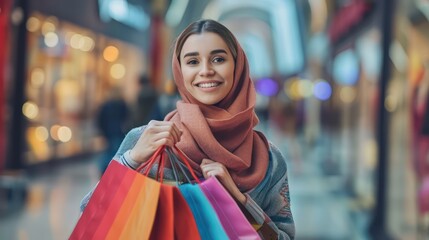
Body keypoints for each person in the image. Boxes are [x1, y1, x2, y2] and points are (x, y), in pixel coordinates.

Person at [82, 19, 295, 239]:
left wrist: (238, 200)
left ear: (238, 66)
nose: (206, 71)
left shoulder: (268, 159)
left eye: (218, 59)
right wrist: (132, 160)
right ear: (180, 70)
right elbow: (90, 217)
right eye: (193, 61)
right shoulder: (145, 141)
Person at [95, 87, 129, 175]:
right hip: (118, 131)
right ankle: (113, 171)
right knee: (117, 152)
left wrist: (102, 132)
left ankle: (105, 171)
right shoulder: (122, 104)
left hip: (109, 132)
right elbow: (126, 117)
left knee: (109, 152)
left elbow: (100, 119)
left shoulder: (106, 105)